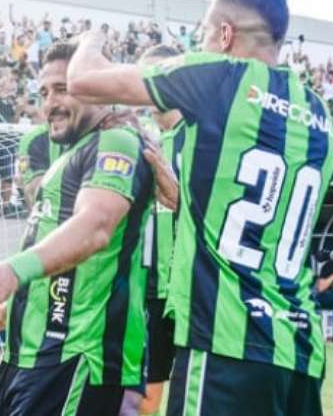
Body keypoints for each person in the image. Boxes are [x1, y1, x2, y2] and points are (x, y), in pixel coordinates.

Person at [65, 0, 333, 414]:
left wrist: (90, 36)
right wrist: (186, 197)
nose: (200, 44)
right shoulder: (322, 114)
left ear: (224, 35)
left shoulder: (219, 76)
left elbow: (80, 81)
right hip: (300, 349)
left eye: (204, 34)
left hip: (225, 343)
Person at [0, 42, 153, 416]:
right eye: (43, 93)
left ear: (98, 89)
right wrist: (12, 310)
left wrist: (10, 271)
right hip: (28, 354)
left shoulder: (116, 141)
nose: (50, 103)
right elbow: (67, 260)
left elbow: (95, 228)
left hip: (76, 354)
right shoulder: (71, 154)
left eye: (62, 88)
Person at [135, 44, 188, 416]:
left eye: (159, 73)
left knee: (190, 394)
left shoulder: (201, 137)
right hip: (150, 289)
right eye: (144, 77)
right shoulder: (141, 142)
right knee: (145, 397)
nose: (151, 85)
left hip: (192, 291)